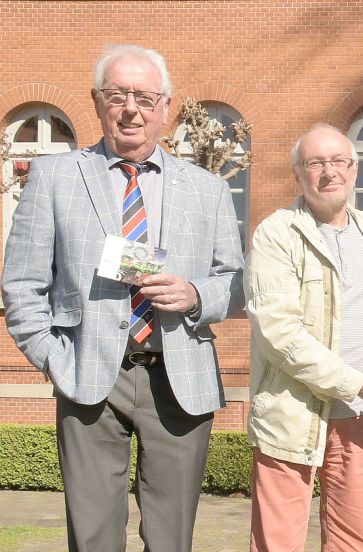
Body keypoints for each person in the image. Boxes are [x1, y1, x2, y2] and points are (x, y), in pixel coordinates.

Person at [1, 45, 244, 552]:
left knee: (170, 538)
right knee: (92, 538)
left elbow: (235, 281)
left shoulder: (207, 188)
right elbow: (22, 284)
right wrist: (53, 357)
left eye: (144, 96)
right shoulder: (55, 177)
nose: (131, 107)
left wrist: (196, 293)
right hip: (88, 374)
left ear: (164, 106)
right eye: (118, 95)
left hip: (180, 377)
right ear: (97, 102)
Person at [246, 123, 363, 552]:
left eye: (338, 162)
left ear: (354, 170)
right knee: (278, 542)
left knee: (351, 540)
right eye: (315, 163)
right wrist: (356, 381)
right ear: (298, 174)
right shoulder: (277, 234)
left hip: (359, 414)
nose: (328, 172)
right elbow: (280, 334)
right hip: (292, 412)